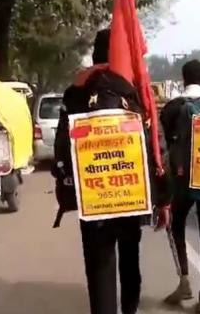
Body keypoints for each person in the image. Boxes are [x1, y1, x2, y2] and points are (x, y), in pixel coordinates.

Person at [52, 29, 168, 314]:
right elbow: (157, 148)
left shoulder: (76, 92)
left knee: (99, 264)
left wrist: (67, 183)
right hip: (131, 194)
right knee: (130, 257)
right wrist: (162, 197)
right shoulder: (137, 91)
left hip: (92, 197)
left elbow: (62, 146)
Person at [160, 60, 200, 314]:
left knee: (175, 223)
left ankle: (184, 280)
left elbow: (163, 143)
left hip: (182, 177)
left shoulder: (174, 107)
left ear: (184, 79)